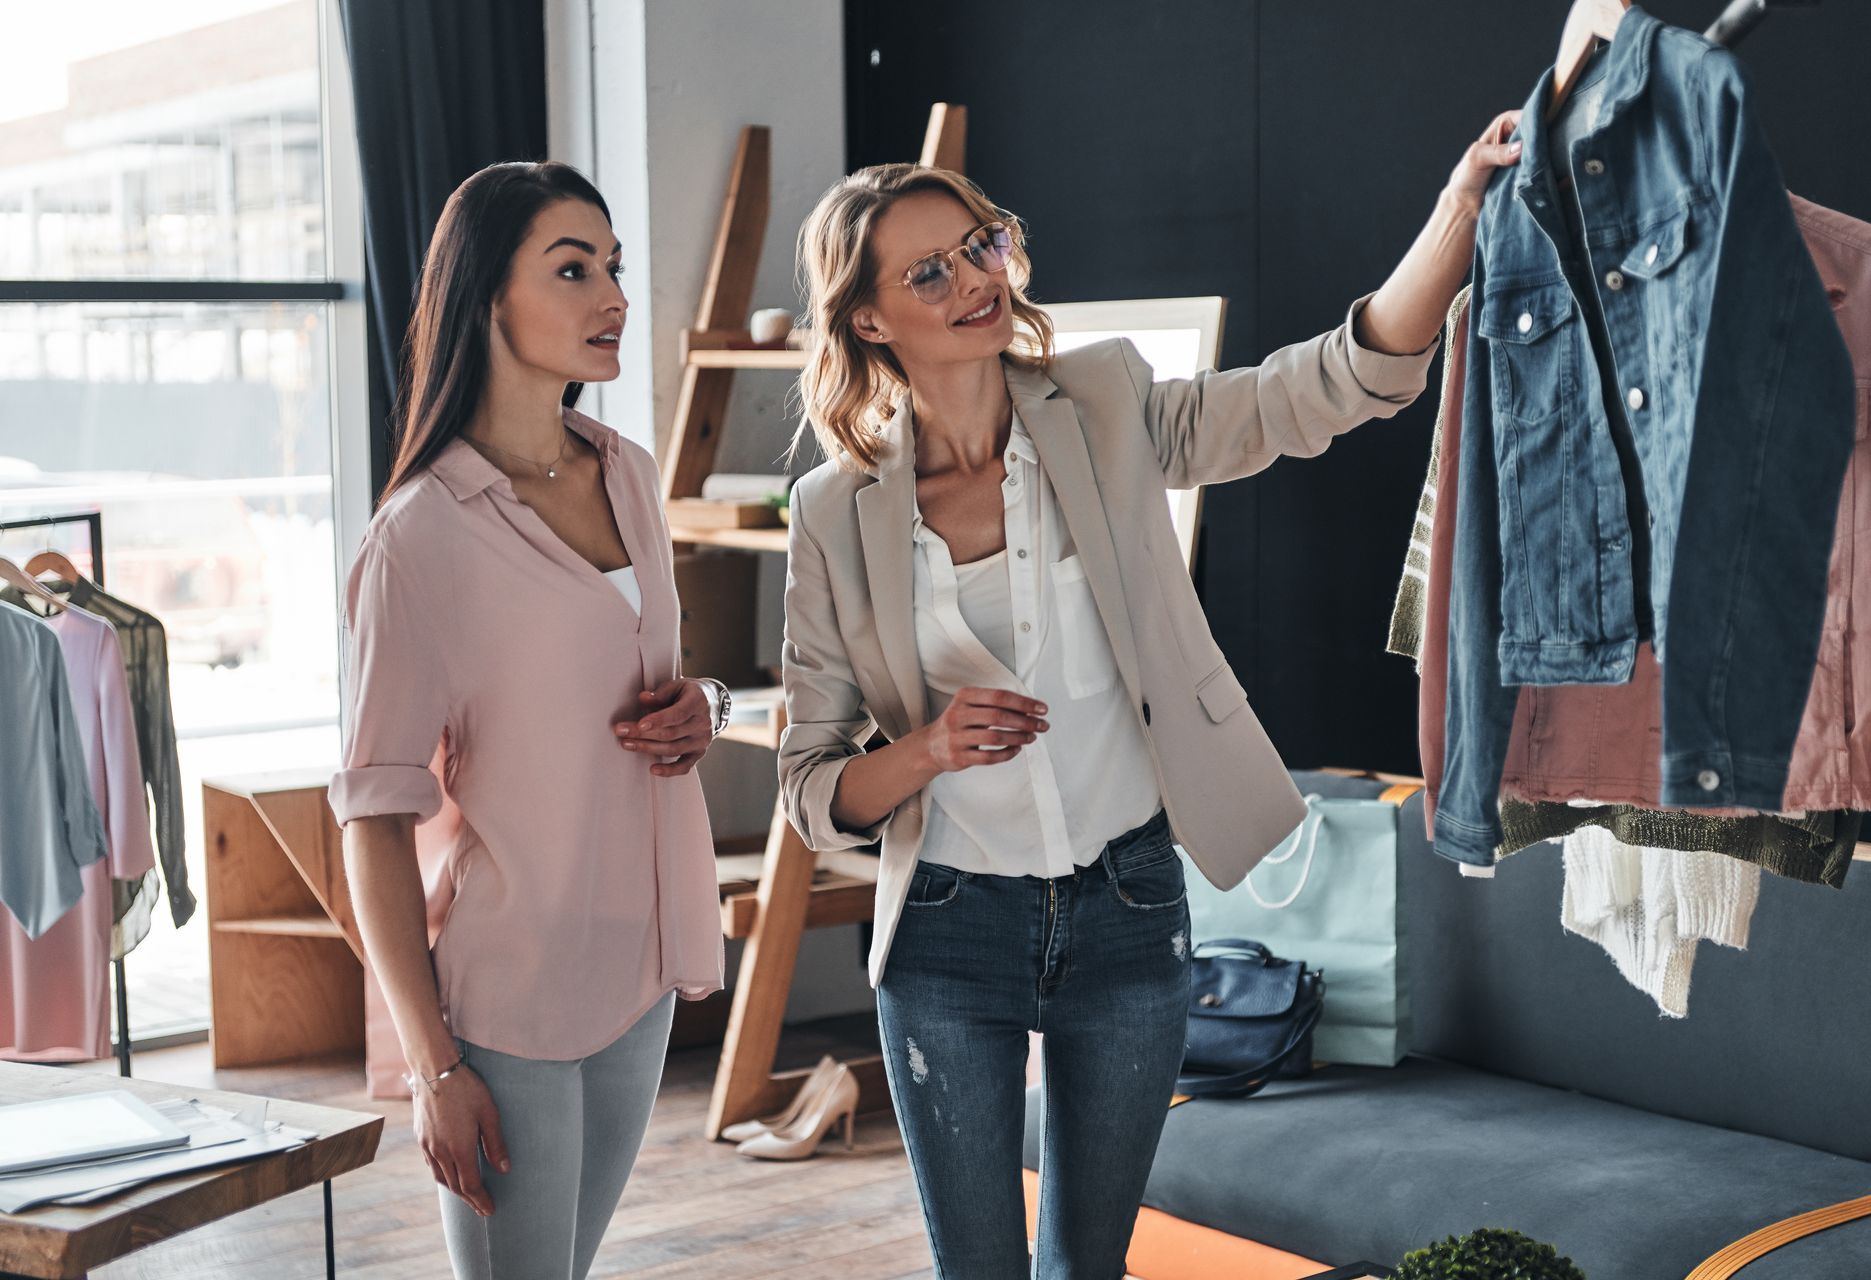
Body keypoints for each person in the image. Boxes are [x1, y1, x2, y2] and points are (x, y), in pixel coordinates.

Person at [776, 113, 1523, 1277]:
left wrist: (1457, 213)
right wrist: (926, 749)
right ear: (869, 319)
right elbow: (812, 785)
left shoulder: (1106, 400)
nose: (976, 279)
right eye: (931, 270)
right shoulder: (833, 512)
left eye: (982, 245)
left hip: (1127, 901)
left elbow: (1316, 391)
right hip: (947, 931)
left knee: (1093, 1267)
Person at [328, 161, 729, 1279]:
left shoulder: (631, 472)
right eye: (571, 268)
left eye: (612, 266)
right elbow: (373, 814)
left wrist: (705, 710)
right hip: (509, 995)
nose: (611, 294)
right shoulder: (419, 537)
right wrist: (434, 1064)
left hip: (641, 965)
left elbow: (658, 684)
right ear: (486, 296)